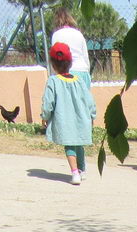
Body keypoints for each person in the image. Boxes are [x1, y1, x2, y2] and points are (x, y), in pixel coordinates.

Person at [42, 41, 96, 186]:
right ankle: (82, 170)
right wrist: (92, 115)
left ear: (52, 64)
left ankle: (74, 172)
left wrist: (45, 117)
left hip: (64, 121)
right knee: (79, 144)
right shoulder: (79, 81)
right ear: (70, 63)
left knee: (69, 146)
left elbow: (48, 103)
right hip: (81, 120)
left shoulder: (53, 82)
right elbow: (89, 101)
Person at [49, 8, 90, 92]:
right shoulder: (79, 34)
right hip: (82, 71)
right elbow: (85, 57)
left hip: (66, 73)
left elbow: (56, 56)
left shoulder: (56, 35)